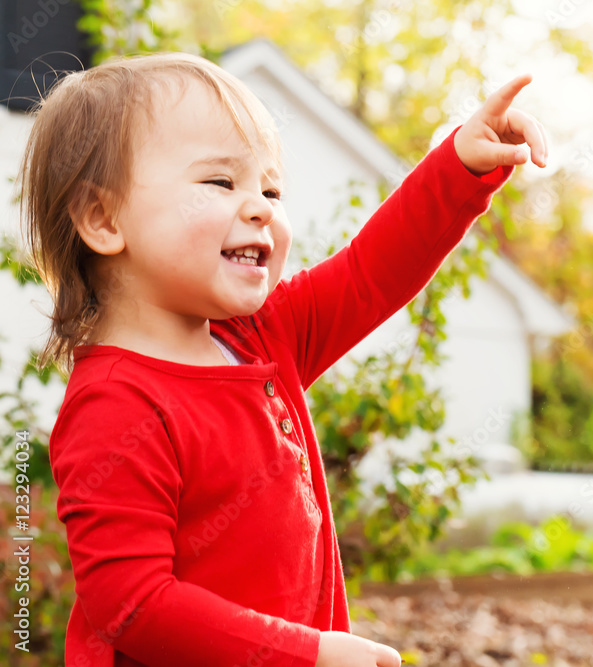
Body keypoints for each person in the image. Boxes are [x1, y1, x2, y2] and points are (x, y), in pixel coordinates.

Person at [17, 51, 547, 667]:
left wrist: (456, 167)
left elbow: (371, 273)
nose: (262, 206)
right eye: (221, 182)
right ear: (103, 218)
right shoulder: (114, 404)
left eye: (271, 188)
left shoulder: (263, 337)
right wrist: (309, 653)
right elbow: (133, 605)